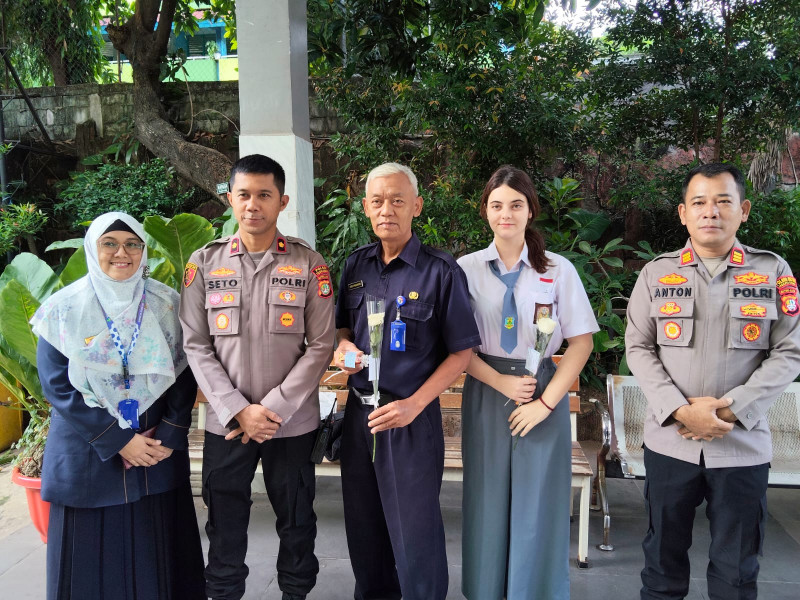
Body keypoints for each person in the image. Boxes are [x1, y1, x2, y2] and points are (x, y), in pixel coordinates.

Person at [626, 162, 800, 600]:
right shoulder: (656, 274)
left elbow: (789, 351)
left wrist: (728, 410)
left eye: (723, 202)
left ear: (743, 211)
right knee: (661, 568)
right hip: (671, 444)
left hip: (740, 445)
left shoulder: (772, 272)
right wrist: (680, 410)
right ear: (682, 213)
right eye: (699, 202)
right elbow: (638, 348)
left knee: (736, 573)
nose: (711, 212)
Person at [180, 154, 335, 600]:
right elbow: (195, 344)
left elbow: (321, 345)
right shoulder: (204, 264)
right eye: (243, 195)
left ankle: (295, 593)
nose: (253, 205)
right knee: (224, 521)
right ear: (230, 199)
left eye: (264, 195)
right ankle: (225, 593)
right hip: (226, 426)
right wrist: (238, 411)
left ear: (282, 201)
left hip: (290, 425)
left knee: (296, 520)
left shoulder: (309, 263)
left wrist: (272, 410)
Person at [31, 211, 204, 600]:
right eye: (109, 243)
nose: (121, 253)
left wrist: (171, 433)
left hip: (154, 450)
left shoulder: (165, 303)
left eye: (132, 244)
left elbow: (186, 369)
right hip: (89, 453)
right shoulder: (64, 309)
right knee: (88, 562)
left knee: (156, 552)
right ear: (93, 250)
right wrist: (119, 441)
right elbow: (57, 385)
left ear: (144, 250)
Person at [333, 162, 481, 600]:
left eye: (398, 200)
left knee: (415, 537)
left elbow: (462, 352)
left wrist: (415, 404)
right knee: (364, 531)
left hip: (411, 420)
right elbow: (340, 330)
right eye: (377, 201)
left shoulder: (441, 271)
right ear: (365, 207)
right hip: (360, 419)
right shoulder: (355, 266)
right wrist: (343, 350)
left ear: (416, 205)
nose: (387, 210)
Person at [456, 165, 597, 599]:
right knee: (487, 499)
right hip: (486, 390)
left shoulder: (558, 270)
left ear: (531, 210)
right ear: (485, 211)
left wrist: (545, 404)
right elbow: (457, 348)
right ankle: (485, 590)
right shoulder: (465, 269)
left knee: (538, 504)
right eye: (497, 205)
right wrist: (500, 382)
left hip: (543, 392)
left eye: (516, 205)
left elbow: (580, 344)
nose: (506, 214)